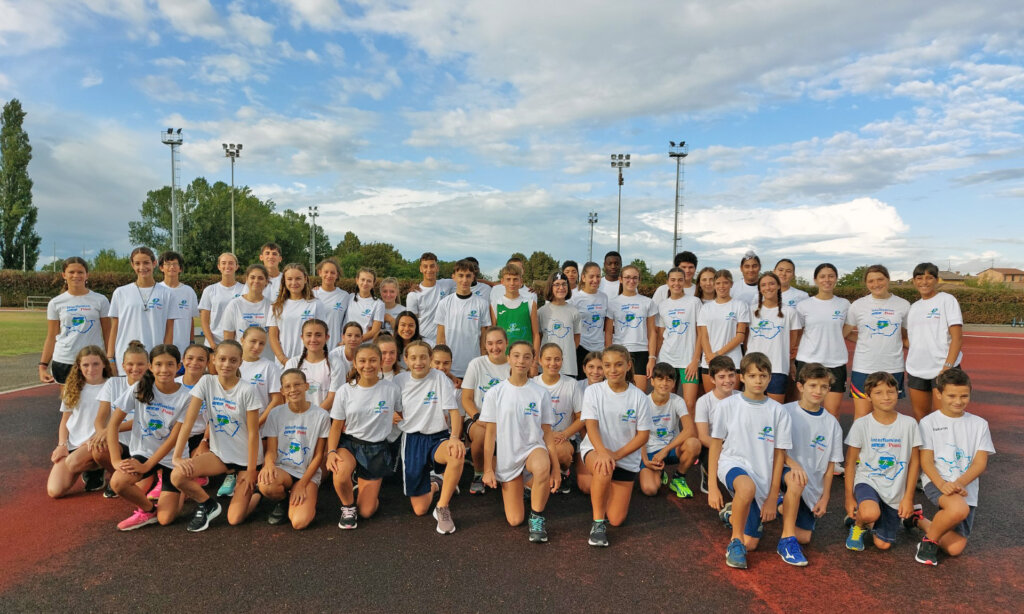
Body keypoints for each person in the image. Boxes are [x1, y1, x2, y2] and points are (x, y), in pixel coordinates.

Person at [707, 352, 792, 569]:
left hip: (762, 475)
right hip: (732, 464)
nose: (758, 381)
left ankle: (732, 513)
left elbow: (779, 455)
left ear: (770, 378)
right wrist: (712, 487)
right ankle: (735, 543)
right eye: (752, 376)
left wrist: (772, 496)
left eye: (763, 376)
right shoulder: (727, 406)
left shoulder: (778, 411)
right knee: (746, 488)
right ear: (742, 377)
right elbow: (716, 445)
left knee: (752, 543)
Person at [170, 340, 265, 532]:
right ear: (213, 360)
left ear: (240, 362)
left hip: (246, 459)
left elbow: (254, 433)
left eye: (233, 360)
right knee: (177, 475)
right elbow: (188, 422)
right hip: (220, 456)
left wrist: (251, 470)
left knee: (235, 519)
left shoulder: (247, 390)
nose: (226, 364)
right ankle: (208, 505)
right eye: (222, 359)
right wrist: (177, 456)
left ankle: (257, 494)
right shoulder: (207, 382)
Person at [910, 369, 993, 565]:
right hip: (936, 480)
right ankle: (928, 542)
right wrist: (942, 484)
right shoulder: (928, 423)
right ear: (939, 394)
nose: (958, 401)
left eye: (964, 396)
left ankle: (918, 520)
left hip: (965, 485)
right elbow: (926, 461)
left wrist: (960, 483)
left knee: (955, 548)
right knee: (958, 509)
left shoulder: (980, 424)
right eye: (952, 396)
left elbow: (980, 463)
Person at [480, 340, 560, 543]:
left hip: (533, 448)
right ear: (508, 358)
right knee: (515, 520)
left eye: (526, 357)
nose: (521, 361)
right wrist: (487, 469)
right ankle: (525, 486)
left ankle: (537, 517)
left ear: (533, 361)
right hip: (508, 456)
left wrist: (556, 469)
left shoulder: (541, 393)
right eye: (516, 356)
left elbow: (547, 433)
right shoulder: (495, 393)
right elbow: (490, 435)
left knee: (542, 466)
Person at [107, 344, 191, 530]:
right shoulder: (140, 388)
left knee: (166, 519)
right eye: (158, 364)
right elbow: (113, 425)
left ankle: (181, 486)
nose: (164, 369)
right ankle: (148, 510)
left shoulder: (187, 397)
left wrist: (147, 466)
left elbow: (174, 439)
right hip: (144, 452)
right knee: (118, 482)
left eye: (170, 364)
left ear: (179, 367)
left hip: (172, 457)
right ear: (151, 367)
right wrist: (115, 461)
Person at [579, 345, 652, 547]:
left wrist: (616, 455)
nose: (612, 370)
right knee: (604, 468)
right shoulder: (593, 391)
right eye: (607, 365)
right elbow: (591, 426)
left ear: (628, 365)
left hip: (624, 457)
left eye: (618, 365)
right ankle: (597, 523)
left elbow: (643, 435)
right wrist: (603, 453)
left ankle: (604, 488)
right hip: (596, 451)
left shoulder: (639, 397)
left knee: (617, 519)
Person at [327, 343, 403, 529]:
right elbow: (336, 426)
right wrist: (331, 452)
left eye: (372, 360)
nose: (367, 365)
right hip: (350, 444)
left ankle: (365, 491)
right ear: (354, 363)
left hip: (376, 449)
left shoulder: (391, 389)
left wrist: (398, 416)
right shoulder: (345, 390)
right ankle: (347, 507)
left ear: (381, 362)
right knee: (340, 474)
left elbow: (403, 414)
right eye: (362, 361)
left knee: (367, 512)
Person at [843, 371, 921, 553]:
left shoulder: (909, 424)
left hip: (894, 490)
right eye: (878, 393)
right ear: (868, 396)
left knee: (883, 545)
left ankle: (863, 516)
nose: (886, 397)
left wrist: (908, 498)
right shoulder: (862, 424)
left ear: (898, 393)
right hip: (867, 481)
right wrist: (849, 498)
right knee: (871, 512)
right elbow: (850, 463)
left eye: (890, 392)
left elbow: (914, 463)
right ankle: (859, 525)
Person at [777, 363, 844, 566]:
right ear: (800, 386)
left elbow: (830, 465)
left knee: (805, 538)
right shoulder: (785, 412)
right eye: (813, 385)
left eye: (823, 387)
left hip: (811, 484)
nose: (818, 391)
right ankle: (786, 541)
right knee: (796, 480)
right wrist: (793, 464)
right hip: (784, 471)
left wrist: (825, 497)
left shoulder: (832, 424)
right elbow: (774, 448)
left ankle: (779, 505)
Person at [395, 341, 464, 534]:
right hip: (412, 441)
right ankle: (436, 483)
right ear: (406, 360)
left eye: (423, 357)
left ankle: (442, 507)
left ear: (430, 359)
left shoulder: (439, 377)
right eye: (413, 358)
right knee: (420, 510)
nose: (418, 362)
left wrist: (454, 437)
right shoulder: (399, 381)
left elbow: (454, 411)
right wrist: (392, 414)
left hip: (437, 438)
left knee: (456, 454)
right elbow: (391, 407)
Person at [258, 369, 330, 530]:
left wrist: (302, 484)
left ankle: (301, 496)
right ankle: (283, 501)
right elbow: (271, 450)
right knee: (266, 484)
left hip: (307, 473)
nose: (293, 390)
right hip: (283, 469)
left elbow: (319, 456)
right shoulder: (275, 413)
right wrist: (268, 465)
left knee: (299, 522)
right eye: (287, 386)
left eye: (297, 384)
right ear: (282, 391)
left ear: (306, 386)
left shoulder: (321, 416)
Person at [843, 264, 910, 419]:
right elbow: (845, 333)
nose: (876, 284)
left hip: (892, 366)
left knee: (885, 414)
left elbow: (904, 337)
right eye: (871, 281)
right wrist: (865, 340)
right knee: (862, 415)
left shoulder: (903, 305)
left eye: (880, 279)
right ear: (866, 283)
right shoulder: (858, 305)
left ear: (888, 279)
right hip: (864, 366)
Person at [46, 346, 114, 498]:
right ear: (79, 367)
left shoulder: (112, 386)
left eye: (96, 364)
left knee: (74, 462)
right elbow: (65, 419)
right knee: (54, 491)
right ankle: (92, 470)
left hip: (98, 442)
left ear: (104, 364)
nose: (91, 369)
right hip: (74, 444)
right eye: (86, 365)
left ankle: (104, 471)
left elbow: (118, 418)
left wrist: (98, 437)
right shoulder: (73, 387)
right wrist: (62, 445)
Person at [906, 262, 964, 422]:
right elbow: (912, 340)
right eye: (919, 278)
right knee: (921, 418)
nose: (924, 282)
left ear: (936, 280)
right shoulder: (913, 307)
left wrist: (947, 368)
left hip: (943, 369)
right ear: (914, 281)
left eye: (929, 278)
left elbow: (957, 338)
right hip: (917, 370)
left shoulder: (947, 300)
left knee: (945, 418)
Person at [107, 247, 179, 374]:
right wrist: (110, 357)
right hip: (126, 357)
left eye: (146, 263)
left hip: (155, 357)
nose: (142, 267)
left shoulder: (167, 294)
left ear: (154, 263)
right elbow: (114, 327)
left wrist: (165, 356)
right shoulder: (120, 292)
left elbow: (169, 329)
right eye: (137, 263)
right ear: (132, 265)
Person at [91, 341, 149, 496]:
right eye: (130, 364)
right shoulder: (113, 383)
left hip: (144, 445)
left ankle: (139, 477)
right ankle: (115, 474)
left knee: (140, 491)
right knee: (98, 450)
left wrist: (111, 429)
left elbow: (142, 420)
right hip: (120, 442)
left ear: (148, 365)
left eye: (140, 364)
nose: (135, 368)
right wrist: (101, 433)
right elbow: (100, 418)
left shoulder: (153, 387)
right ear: (123, 365)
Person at [40, 258, 111, 385]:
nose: (76, 275)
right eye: (71, 272)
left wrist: (111, 359)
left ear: (87, 275)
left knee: (96, 397)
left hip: (94, 360)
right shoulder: (55, 303)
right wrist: (43, 366)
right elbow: (51, 337)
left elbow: (108, 333)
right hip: (64, 359)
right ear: (64, 275)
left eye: (80, 272)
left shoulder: (101, 300)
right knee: (68, 398)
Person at [794, 263, 850, 421]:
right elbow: (798, 332)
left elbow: (846, 329)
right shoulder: (804, 305)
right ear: (815, 280)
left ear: (836, 279)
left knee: (833, 412)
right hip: (808, 361)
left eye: (831, 276)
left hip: (835, 362)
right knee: (805, 411)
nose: (827, 280)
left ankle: (831, 439)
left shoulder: (844, 304)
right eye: (822, 276)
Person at [461, 326, 511, 494]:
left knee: (503, 476)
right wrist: (478, 417)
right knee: (482, 435)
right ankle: (478, 473)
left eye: (499, 342)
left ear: (507, 343)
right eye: (490, 343)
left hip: (505, 421)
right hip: (477, 419)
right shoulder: (476, 364)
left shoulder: (513, 365)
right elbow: (466, 398)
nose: (494, 347)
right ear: (484, 345)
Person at [639, 363, 700, 498]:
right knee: (650, 489)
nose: (664, 383)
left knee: (694, 443)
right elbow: (639, 435)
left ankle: (678, 478)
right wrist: (645, 460)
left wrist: (665, 450)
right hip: (651, 451)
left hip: (671, 449)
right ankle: (660, 472)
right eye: (660, 379)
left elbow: (690, 430)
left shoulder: (677, 401)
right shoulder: (643, 402)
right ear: (652, 381)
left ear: (673, 384)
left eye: (668, 380)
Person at [532, 343, 584, 494]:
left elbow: (581, 418)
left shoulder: (572, 384)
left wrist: (564, 434)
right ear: (540, 360)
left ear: (562, 360)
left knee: (560, 452)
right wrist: (546, 435)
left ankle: (563, 472)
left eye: (557, 359)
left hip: (563, 438)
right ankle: (541, 474)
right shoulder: (532, 384)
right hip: (538, 437)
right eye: (548, 359)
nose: (553, 363)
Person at [746, 272, 801, 403]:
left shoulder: (789, 312)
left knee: (775, 409)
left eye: (771, 284)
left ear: (778, 286)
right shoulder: (750, 310)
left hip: (778, 368)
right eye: (763, 285)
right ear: (759, 289)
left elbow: (794, 340)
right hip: (753, 367)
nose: (768, 287)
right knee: (752, 408)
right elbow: (745, 337)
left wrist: (790, 360)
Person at [655, 266, 703, 411]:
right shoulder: (662, 305)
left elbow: (701, 333)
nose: (676, 283)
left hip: (688, 361)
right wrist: (655, 359)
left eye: (680, 280)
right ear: (667, 282)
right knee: (667, 403)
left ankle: (689, 428)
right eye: (673, 280)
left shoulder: (695, 302)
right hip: (666, 358)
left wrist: (695, 360)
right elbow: (660, 336)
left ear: (685, 281)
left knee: (689, 404)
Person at [436, 259, 491, 378]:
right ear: (454, 277)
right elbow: (440, 337)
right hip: (450, 368)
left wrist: (483, 363)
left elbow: (484, 337)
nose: (464, 280)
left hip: (474, 367)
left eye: (468, 276)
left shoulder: (482, 304)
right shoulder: (444, 303)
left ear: (473, 277)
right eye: (461, 276)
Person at [605, 264, 657, 390]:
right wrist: (608, 355)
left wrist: (652, 358)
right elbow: (608, 333)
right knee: (617, 391)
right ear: (620, 279)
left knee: (639, 393)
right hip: (619, 351)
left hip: (641, 352)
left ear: (639, 280)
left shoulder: (648, 302)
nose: (631, 281)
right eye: (627, 277)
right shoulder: (612, 303)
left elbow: (652, 332)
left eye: (635, 278)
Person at [693, 356, 740, 495]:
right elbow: (703, 437)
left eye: (731, 375)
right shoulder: (704, 402)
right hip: (713, 446)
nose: (727, 380)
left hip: (737, 445)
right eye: (721, 377)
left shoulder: (742, 398)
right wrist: (727, 449)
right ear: (712, 379)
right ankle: (707, 471)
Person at [697, 269, 749, 392]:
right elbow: (703, 336)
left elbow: (740, 336)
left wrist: (717, 355)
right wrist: (710, 356)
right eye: (718, 283)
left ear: (731, 284)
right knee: (712, 399)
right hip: (709, 362)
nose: (722, 286)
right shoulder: (706, 308)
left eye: (725, 283)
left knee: (731, 400)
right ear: (714, 285)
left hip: (733, 361)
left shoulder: (740, 305)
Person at [268, 263, 325, 366]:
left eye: (298, 278)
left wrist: (309, 360)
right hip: (283, 364)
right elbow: (273, 337)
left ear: (305, 279)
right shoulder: (276, 306)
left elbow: (321, 335)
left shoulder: (316, 304)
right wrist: (284, 360)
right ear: (284, 281)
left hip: (309, 362)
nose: (294, 283)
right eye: (289, 279)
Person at [222, 263, 274, 361]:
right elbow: (228, 339)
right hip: (241, 361)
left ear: (266, 282)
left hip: (266, 359)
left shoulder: (272, 306)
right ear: (246, 279)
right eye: (252, 277)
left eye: (260, 278)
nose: (256, 281)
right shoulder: (234, 305)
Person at [490, 262, 540, 359]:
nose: (512, 283)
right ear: (502, 281)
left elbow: (536, 334)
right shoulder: (495, 305)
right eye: (508, 279)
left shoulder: (530, 303)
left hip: (525, 358)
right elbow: (492, 335)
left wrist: (535, 360)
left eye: (515, 279)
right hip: (503, 359)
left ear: (521, 281)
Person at [406, 253, 456, 346]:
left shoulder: (447, 284)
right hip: (423, 342)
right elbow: (411, 322)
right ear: (421, 269)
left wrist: (486, 282)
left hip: (444, 341)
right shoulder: (413, 295)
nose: (429, 270)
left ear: (437, 268)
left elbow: (467, 281)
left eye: (432, 266)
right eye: (425, 266)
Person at [538, 271, 582, 378]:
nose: (561, 288)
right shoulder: (541, 312)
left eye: (564, 284)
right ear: (550, 287)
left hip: (568, 366)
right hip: (547, 366)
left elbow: (576, 338)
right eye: (557, 284)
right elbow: (538, 337)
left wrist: (566, 352)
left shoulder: (574, 312)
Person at [236, 327, 283, 426]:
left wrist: (256, 424)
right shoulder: (231, 364)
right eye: (253, 341)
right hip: (234, 426)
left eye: (261, 343)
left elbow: (277, 400)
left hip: (260, 428)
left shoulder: (269, 367)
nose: (257, 347)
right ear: (242, 340)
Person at [570, 261, 609, 380]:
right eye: (591, 276)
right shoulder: (575, 299)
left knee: (599, 383)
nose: (595, 280)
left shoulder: (604, 297)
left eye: (598, 276)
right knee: (582, 383)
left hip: (600, 348)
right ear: (583, 277)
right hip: (582, 347)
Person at [157, 251, 198, 359]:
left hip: (183, 347)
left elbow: (191, 319)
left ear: (180, 268)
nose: (172, 267)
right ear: (161, 268)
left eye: (175, 264)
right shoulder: (156, 290)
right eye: (168, 264)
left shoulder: (189, 291)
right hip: (160, 347)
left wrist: (191, 341)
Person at [199, 253, 245, 349]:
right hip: (214, 344)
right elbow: (204, 321)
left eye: (231, 263)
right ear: (219, 266)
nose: (227, 266)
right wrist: (212, 344)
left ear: (236, 266)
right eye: (223, 263)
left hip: (238, 344)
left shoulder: (244, 289)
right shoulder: (209, 290)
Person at [283, 319, 332, 407]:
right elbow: (288, 396)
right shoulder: (292, 363)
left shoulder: (335, 364)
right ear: (302, 337)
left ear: (327, 337)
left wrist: (315, 414)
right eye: (309, 335)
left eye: (318, 335)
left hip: (325, 415)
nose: (313, 339)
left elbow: (333, 397)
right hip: (297, 414)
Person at [313, 258, 351, 347]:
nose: (329, 275)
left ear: (337, 275)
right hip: (315, 345)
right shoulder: (312, 294)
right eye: (326, 272)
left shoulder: (344, 296)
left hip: (336, 345)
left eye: (333, 273)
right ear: (320, 273)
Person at [345, 267, 385, 342]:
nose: (365, 283)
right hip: (346, 344)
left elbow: (374, 331)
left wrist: (355, 341)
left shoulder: (379, 304)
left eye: (369, 281)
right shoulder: (349, 297)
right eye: (362, 280)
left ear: (373, 284)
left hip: (365, 346)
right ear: (357, 280)